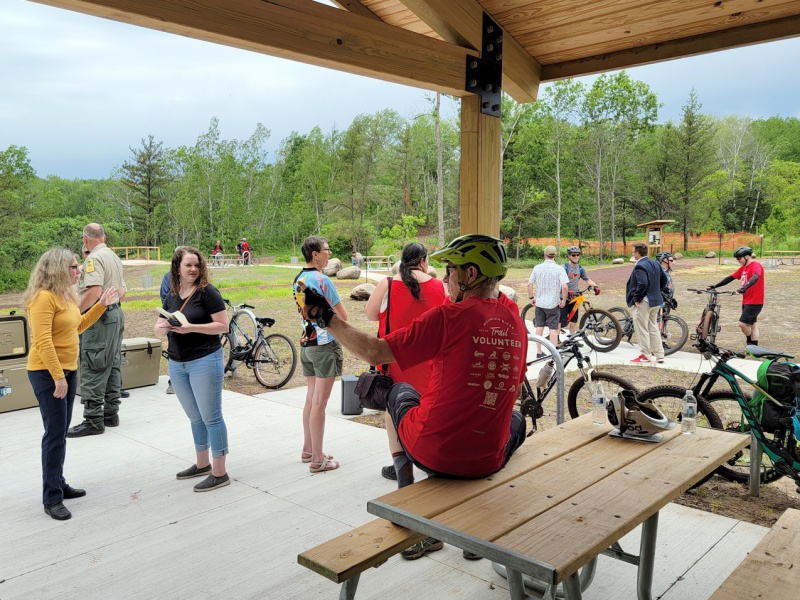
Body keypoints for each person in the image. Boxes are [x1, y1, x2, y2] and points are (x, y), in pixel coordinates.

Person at [296, 234, 527, 561]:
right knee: (516, 420)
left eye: (450, 269)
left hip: (433, 452)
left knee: (397, 389)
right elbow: (512, 391)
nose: (445, 276)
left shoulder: (450, 317)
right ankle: (473, 536)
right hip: (489, 458)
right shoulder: (516, 321)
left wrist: (325, 317)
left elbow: (373, 350)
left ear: (470, 274)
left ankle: (404, 481)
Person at [24, 248, 119, 520]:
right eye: (74, 266)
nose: (79, 271)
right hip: (46, 373)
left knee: (60, 433)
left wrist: (101, 304)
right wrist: (57, 377)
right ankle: (51, 497)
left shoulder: (66, 296)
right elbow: (42, 341)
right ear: (57, 269)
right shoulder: (42, 298)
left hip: (66, 371)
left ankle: (59, 483)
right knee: (54, 434)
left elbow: (76, 326)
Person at [365, 243, 446, 481]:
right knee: (426, 410)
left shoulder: (387, 284)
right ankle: (428, 459)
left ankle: (401, 466)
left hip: (395, 362)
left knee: (393, 411)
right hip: (429, 363)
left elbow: (371, 314)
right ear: (423, 261)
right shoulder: (439, 287)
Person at [154, 247, 231, 492]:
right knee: (195, 416)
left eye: (196, 265)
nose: (193, 269)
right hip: (177, 363)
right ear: (177, 267)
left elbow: (223, 326)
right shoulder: (173, 294)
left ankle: (220, 472)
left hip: (205, 360)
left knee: (212, 416)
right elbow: (157, 329)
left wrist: (190, 328)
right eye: (188, 265)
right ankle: (202, 464)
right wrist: (164, 326)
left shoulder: (208, 292)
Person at [292, 236, 349, 473]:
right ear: (315, 254)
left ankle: (308, 449)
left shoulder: (299, 279)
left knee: (310, 400)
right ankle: (317, 459)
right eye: (327, 250)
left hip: (307, 345)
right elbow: (342, 316)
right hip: (325, 345)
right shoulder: (322, 280)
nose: (329, 253)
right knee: (319, 404)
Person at [67, 223, 127, 437]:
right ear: (104, 236)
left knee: (94, 362)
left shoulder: (93, 258)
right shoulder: (113, 256)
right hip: (115, 313)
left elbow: (94, 291)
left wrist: (76, 313)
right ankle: (111, 413)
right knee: (111, 362)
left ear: (85, 239)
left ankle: (93, 419)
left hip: (99, 317)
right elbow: (121, 292)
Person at [708, 245, 765, 347]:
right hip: (747, 300)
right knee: (752, 324)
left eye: (739, 258)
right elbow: (731, 278)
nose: (738, 260)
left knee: (742, 324)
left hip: (755, 301)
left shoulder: (756, 266)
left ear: (747, 257)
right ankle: (754, 346)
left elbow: (755, 277)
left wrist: (743, 289)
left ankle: (750, 341)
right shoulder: (743, 268)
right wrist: (715, 285)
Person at [626, 242, 668, 364]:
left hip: (644, 301)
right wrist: (656, 291)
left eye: (633, 252)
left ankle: (645, 355)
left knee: (641, 328)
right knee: (653, 327)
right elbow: (664, 279)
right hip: (656, 300)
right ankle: (659, 354)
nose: (633, 254)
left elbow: (642, 283)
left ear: (637, 253)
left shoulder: (640, 266)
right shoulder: (655, 263)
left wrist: (637, 298)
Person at [527, 245, 568, 358]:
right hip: (553, 304)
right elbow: (564, 287)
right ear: (555, 255)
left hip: (540, 303)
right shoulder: (559, 269)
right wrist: (563, 300)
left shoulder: (537, 268)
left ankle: (539, 352)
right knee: (553, 329)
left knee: (539, 327)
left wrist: (531, 298)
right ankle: (554, 354)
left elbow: (530, 284)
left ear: (545, 255)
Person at [561, 245, 600, 334]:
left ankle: (571, 339)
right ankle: (557, 340)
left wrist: (595, 286)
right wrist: (566, 290)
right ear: (569, 256)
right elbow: (558, 282)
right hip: (563, 297)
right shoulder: (564, 267)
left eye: (578, 255)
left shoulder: (580, 268)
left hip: (575, 296)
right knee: (561, 321)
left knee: (574, 320)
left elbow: (587, 279)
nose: (576, 257)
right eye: (573, 255)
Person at [160, 271, 175, 395]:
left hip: (193, 321)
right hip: (174, 319)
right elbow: (164, 298)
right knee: (174, 349)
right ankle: (173, 382)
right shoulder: (168, 276)